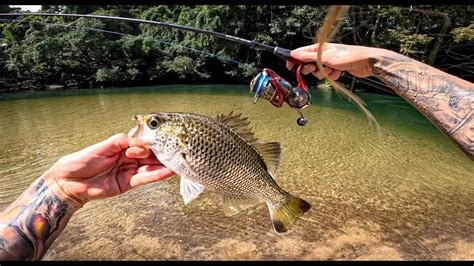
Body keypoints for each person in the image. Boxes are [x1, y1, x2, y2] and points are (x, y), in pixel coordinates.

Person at [0, 43, 472, 261]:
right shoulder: (174, 146)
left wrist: (61, 188)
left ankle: (278, 199)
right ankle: (278, 199)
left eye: (156, 124)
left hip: (237, 172)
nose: (147, 125)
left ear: (176, 138)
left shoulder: (182, 142)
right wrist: (381, 60)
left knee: (261, 190)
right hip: (231, 170)